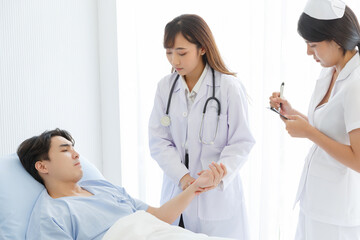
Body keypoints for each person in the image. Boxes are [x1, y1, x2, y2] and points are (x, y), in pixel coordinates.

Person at [148, 14, 255, 239]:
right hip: (177, 193)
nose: (174, 61)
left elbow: (241, 141)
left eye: (182, 52)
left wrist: (220, 173)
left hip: (216, 198)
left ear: (203, 48)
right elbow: (159, 141)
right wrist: (183, 177)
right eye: (169, 52)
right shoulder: (165, 88)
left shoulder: (228, 87)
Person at [17, 128, 227, 240]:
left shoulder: (102, 187)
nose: (76, 154)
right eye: (65, 150)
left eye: (73, 148)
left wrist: (195, 186)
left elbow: (159, 217)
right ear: (43, 167)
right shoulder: (50, 215)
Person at [269, 0, 360, 239]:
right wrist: (292, 113)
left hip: (339, 212)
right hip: (316, 202)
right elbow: (331, 128)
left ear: (336, 40)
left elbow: (359, 160)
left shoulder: (356, 84)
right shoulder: (331, 70)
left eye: (313, 44)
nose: (309, 52)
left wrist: (309, 133)